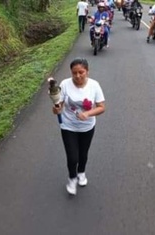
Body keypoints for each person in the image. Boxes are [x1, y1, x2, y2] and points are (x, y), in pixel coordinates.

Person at [52, 58, 105, 196]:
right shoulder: (65, 84)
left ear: (87, 71)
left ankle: (81, 172)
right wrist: (57, 109)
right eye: (74, 73)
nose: (77, 76)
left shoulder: (94, 85)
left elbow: (101, 107)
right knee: (72, 157)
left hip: (87, 127)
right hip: (68, 126)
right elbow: (60, 104)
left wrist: (88, 113)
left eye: (81, 72)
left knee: (83, 154)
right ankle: (72, 178)